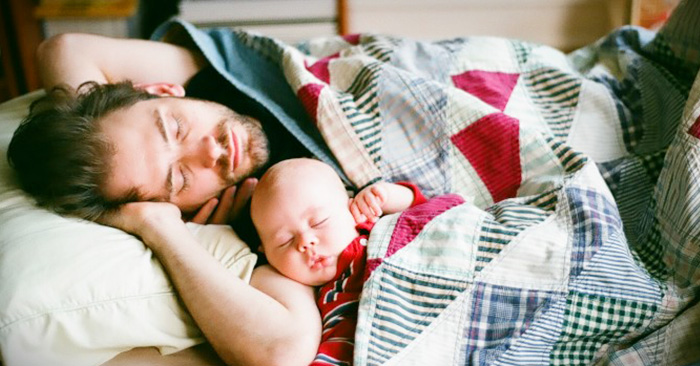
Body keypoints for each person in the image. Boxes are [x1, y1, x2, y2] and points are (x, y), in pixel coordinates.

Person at [6, 32, 322, 366]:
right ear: (173, 207)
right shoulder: (256, 227)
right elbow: (281, 351)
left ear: (161, 89)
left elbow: (64, 48)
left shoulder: (215, 82)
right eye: (180, 178)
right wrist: (161, 229)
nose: (212, 151)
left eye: (175, 127)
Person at [250, 158, 427, 365]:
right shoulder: (309, 306)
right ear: (266, 254)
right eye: (285, 241)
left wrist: (385, 197)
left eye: (319, 222)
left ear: (351, 209)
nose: (306, 242)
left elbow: (426, 212)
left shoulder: (375, 233)